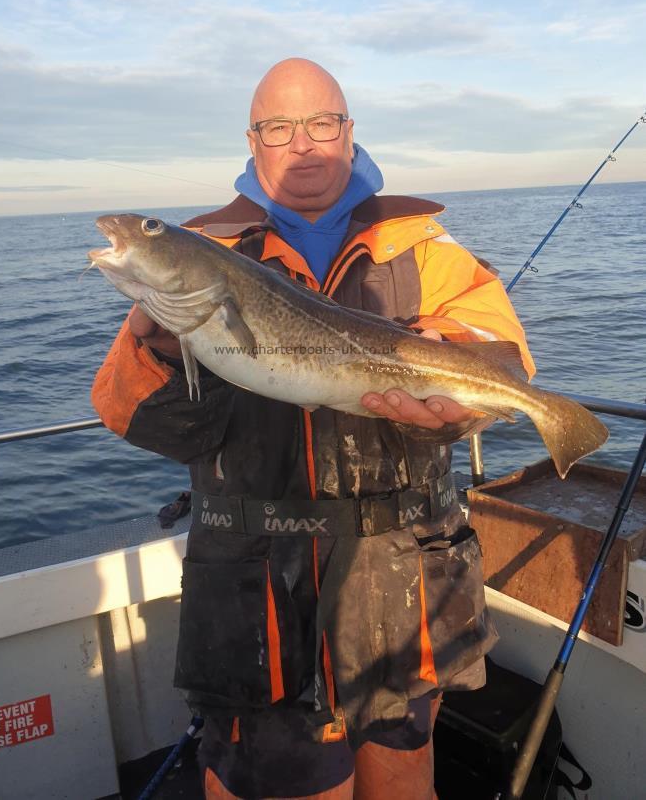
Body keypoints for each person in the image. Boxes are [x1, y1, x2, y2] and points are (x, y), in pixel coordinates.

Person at [92, 58, 535, 799]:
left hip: (403, 570)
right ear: (253, 139)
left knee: (402, 783)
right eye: (278, 127)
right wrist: (162, 340)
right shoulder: (208, 251)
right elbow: (131, 416)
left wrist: (465, 399)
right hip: (255, 582)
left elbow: (502, 358)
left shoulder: (424, 248)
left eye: (320, 123)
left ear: (348, 131)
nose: (301, 144)